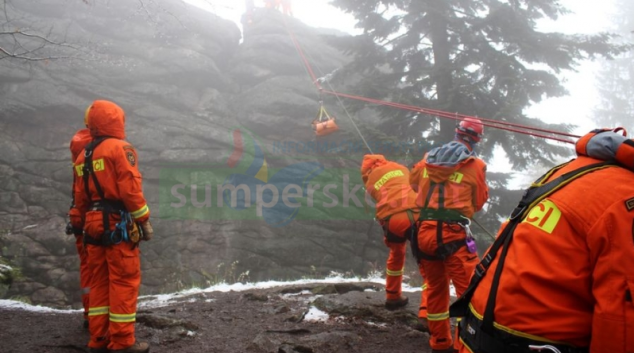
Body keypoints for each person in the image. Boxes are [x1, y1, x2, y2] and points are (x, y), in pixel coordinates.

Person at [450, 127, 634, 353]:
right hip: (529, 339)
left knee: (434, 282)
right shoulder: (626, 195)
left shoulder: (568, 171)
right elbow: (622, 318)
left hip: (476, 331)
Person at [73, 100, 154, 353]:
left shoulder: (82, 155)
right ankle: (122, 342)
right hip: (116, 222)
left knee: (98, 282)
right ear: (116, 120)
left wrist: (81, 224)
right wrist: (144, 220)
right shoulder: (121, 148)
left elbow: (80, 198)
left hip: (92, 224)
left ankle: (98, 339)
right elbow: (131, 191)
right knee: (124, 280)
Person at [409, 117, 489, 353]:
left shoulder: (427, 159)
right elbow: (479, 200)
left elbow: (414, 182)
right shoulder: (475, 165)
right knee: (470, 292)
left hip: (424, 232)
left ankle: (440, 343)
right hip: (453, 233)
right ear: (476, 139)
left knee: (435, 287)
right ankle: (465, 345)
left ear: (457, 133)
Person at [361, 155, 428, 314]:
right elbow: (416, 185)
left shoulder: (370, 181)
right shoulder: (401, 168)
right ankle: (428, 308)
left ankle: (392, 296)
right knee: (427, 262)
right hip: (414, 214)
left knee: (396, 253)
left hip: (391, 221)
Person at [66, 108, 94, 328]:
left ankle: (90, 314)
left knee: (87, 267)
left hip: (78, 214)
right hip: (99, 216)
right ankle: (106, 321)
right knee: (105, 269)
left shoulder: (78, 144)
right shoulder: (104, 147)